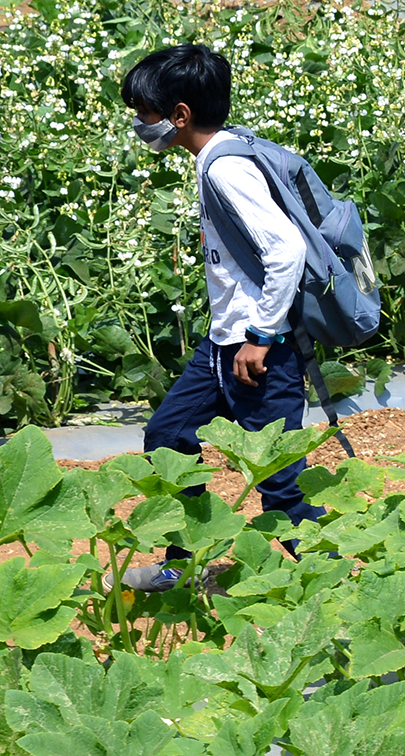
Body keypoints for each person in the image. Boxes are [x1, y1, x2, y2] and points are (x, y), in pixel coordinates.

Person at [122, 43, 328, 528]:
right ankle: (184, 558)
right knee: (169, 439)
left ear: (179, 114)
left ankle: (329, 580)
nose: (138, 123)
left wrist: (260, 337)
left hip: (259, 353)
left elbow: (286, 250)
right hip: (220, 345)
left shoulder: (225, 167)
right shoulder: (221, 151)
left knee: (278, 483)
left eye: (143, 113)